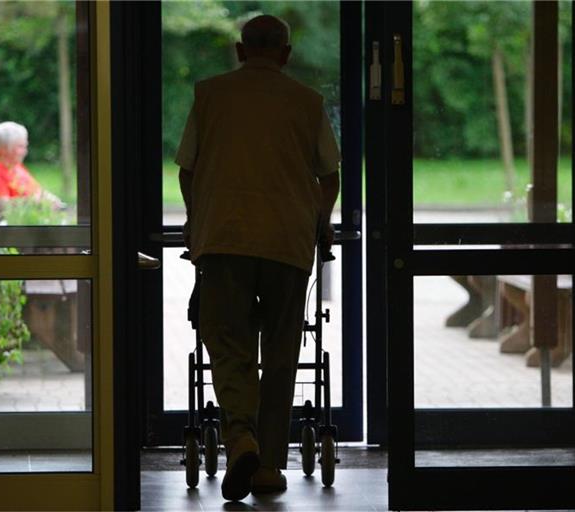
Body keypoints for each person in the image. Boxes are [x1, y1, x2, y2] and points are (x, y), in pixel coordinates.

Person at [175, 14, 340, 501]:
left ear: (240, 51)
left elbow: (188, 169)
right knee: (282, 350)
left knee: (228, 342)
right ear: (286, 55)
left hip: (223, 237)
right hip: (287, 243)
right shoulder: (306, 103)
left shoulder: (209, 96)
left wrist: (195, 215)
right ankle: (268, 466)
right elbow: (329, 174)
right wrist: (321, 217)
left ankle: (239, 436)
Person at [0, 121, 64, 224]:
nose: (25, 151)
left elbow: (37, 191)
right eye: (21, 147)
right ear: (2, 149)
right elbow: (5, 207)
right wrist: (39, 203)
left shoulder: (13, 165)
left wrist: (52, 200)